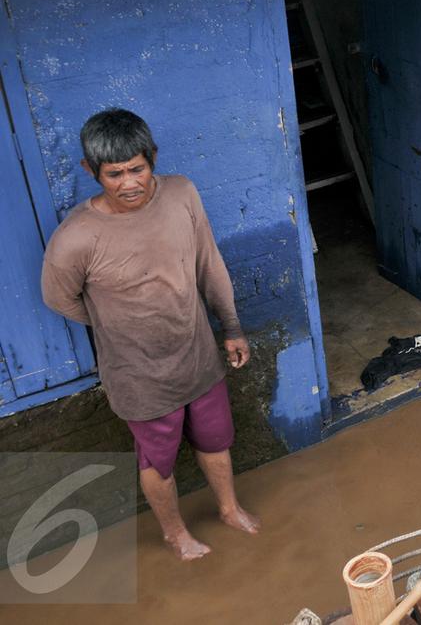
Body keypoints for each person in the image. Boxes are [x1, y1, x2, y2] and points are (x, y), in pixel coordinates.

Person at [41, 109, 259, 561]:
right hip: (138, 375)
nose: (129, 183)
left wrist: (231, 327)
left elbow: (208, 265)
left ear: (153, 157)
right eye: (114, 174)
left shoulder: (182, 194)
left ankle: (229, 508)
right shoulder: (75, 238)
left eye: (137, 168)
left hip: (198, 355)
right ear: (90, 171)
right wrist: (118, 323)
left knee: (216, 438)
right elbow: (59, 299)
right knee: (156, 459)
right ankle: (175, 533)